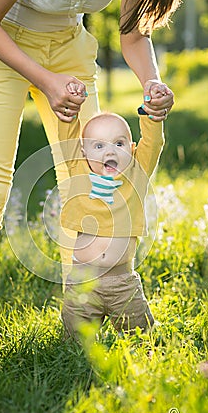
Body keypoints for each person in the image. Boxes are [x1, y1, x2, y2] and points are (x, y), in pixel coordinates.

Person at [0, 0, 183, 343]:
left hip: (70, 48)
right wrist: (45, 81)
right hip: (1, 44)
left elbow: (134, 35)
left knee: (88, 185)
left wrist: (152, 83)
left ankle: (79, 317)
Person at [60, 103, 163, 339]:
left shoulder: (136, 174)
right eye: (99, 146)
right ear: (83, 152)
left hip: (123, 285)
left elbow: (154, 144)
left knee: (142, 339)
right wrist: (68, 110)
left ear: (132, 148)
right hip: (82, 285)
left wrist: (152, 117)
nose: (110, 152)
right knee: (74, 345)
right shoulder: (79, 172)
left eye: (119, 144)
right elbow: (66, 136)